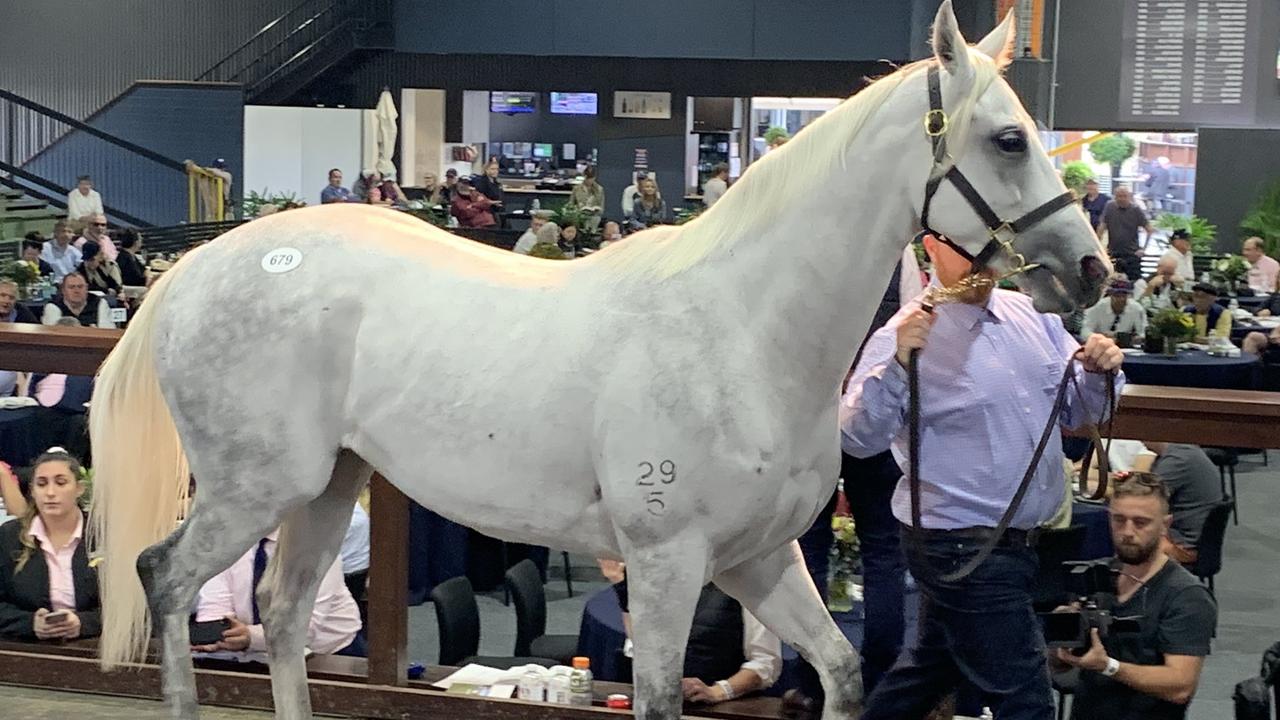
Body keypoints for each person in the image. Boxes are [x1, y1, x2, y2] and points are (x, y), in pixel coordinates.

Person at [841, 231, 1124, 719]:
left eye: (990, 250)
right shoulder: (903, 333)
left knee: (929, 670)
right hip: (961, 544)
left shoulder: (1034, 316)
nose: (982, 262)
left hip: (1015, 542)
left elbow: (1079, 409)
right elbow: (857, 437)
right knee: (1025, 697)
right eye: (967, 250)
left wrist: (1101, 372)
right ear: (930, 249)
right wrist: (897, 365)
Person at [1054, 474, 1216, 720]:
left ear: (1165, 525)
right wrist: (1061, 642)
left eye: (1141, 522)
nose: (1127, 532)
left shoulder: (1186, 596)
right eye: (1119, 520)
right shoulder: (1093, 576)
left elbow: (1180, 685)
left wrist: (1108, 666)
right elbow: (1060, 668)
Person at [611, 570, 781, 704]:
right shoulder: (666, 577)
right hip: (663, 703)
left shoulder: (750, 584)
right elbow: (641, 647)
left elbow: (766, 663)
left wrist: (717, 692)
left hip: (722, 708)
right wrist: (621, 585)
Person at [193, 529, 364, 660]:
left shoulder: (316, 545)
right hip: (250, 654)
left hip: (327, 654)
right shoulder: (226, 542)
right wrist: (215, 635)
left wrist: (251, 637)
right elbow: (214, 606)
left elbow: (305, 627)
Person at [0, 450, 101, 642]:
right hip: (28, 650)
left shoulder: (104, 537)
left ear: (79, 488)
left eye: (61, 482)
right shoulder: (8, 537)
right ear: (32, 490)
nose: (50, 492)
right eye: (42, 484)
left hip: (93, 648)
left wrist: (83, 623)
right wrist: (31, 624)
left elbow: (130, 610)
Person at [1142, 443, 1226, 564]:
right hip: (1193, 536)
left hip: (1182, 545)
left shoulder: (1178, 460)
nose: (1140, 441)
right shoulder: (1184, 451)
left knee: (1116, 524)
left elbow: (1143, 499)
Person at [1098, 186, 1154, 281]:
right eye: (1119, 196)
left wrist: (1143, 249)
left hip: (1131, 254)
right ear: (1115, 197)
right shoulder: (1109, 206)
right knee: (1112, 283)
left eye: (1124, 196)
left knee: (1133, 282)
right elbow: (1102, 226)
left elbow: (1149, 229)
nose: (1121, 199)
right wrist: (1099, 247)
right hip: (1113, 253)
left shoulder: (1135, 210)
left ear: (1129, 196)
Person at [41, 272, 113, 328]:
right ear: (63, 290)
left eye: (80, 286)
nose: (76, 291)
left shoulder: (100, 303)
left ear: (87, 288)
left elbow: (108, 331)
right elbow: (53, 334)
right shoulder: (53, 306)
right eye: (71, 287)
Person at [1081, 279, 1147, 340]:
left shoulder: (1137, 308)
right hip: (1099, 344)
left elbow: (1143, 333)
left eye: (1124, 296)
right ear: (1110, 295)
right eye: (1117, 296)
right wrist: (1102, 338)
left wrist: (1128, 338)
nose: (1121, 299)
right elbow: (1084, 333)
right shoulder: (1097, 307)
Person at [567, 166, 604, 231]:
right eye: (587, 178)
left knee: (595, 219)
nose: (589, 181)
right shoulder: (577, 188)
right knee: (581, 220)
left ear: (594, 178)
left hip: (594, 216)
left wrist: (597, 210)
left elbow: (601, 205)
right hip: (580, 215)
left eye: (591, 178)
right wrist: (577, 210)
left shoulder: (599, 189)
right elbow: (571, 204)